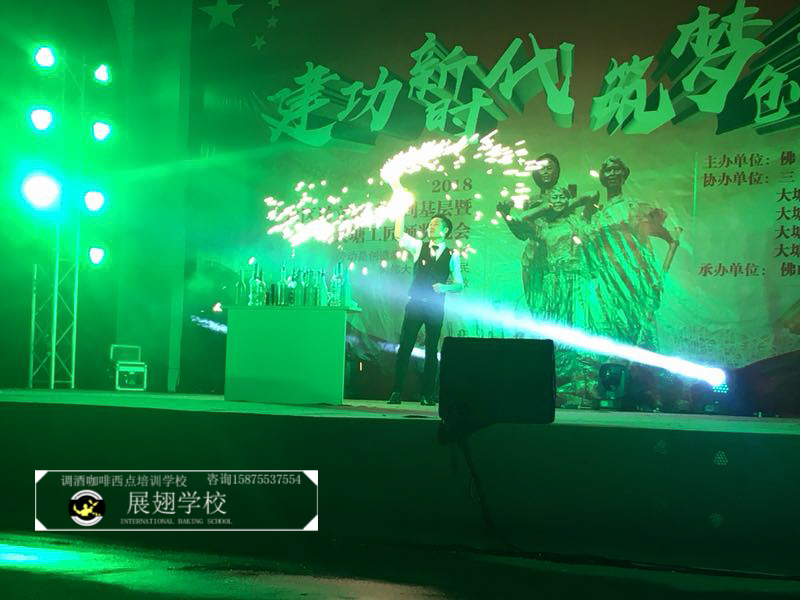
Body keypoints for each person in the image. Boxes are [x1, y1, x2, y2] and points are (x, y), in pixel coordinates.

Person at [583, 156, 681, 349]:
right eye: (608, 170)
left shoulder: (635, 207)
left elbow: (673, 238)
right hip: (608, 281)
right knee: (614, 331)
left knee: (642, 332)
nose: (612, 173)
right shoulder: (597, 215)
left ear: (624, 174)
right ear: (602, 177)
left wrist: (660, 277)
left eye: (616, 169)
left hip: (635, 278)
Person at [388, 208, 464, 405]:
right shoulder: (418, 246)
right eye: (430, 224)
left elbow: (460, 285)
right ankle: (396, 391)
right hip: (415, 304)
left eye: (436, 224)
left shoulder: (452, 254)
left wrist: (444, 287)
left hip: (435, 308)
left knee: (431, 350)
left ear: (445, 230)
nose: (431, 227)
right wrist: (400, 209)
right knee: (405, 347)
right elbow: (398, 235)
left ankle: (427, 394)